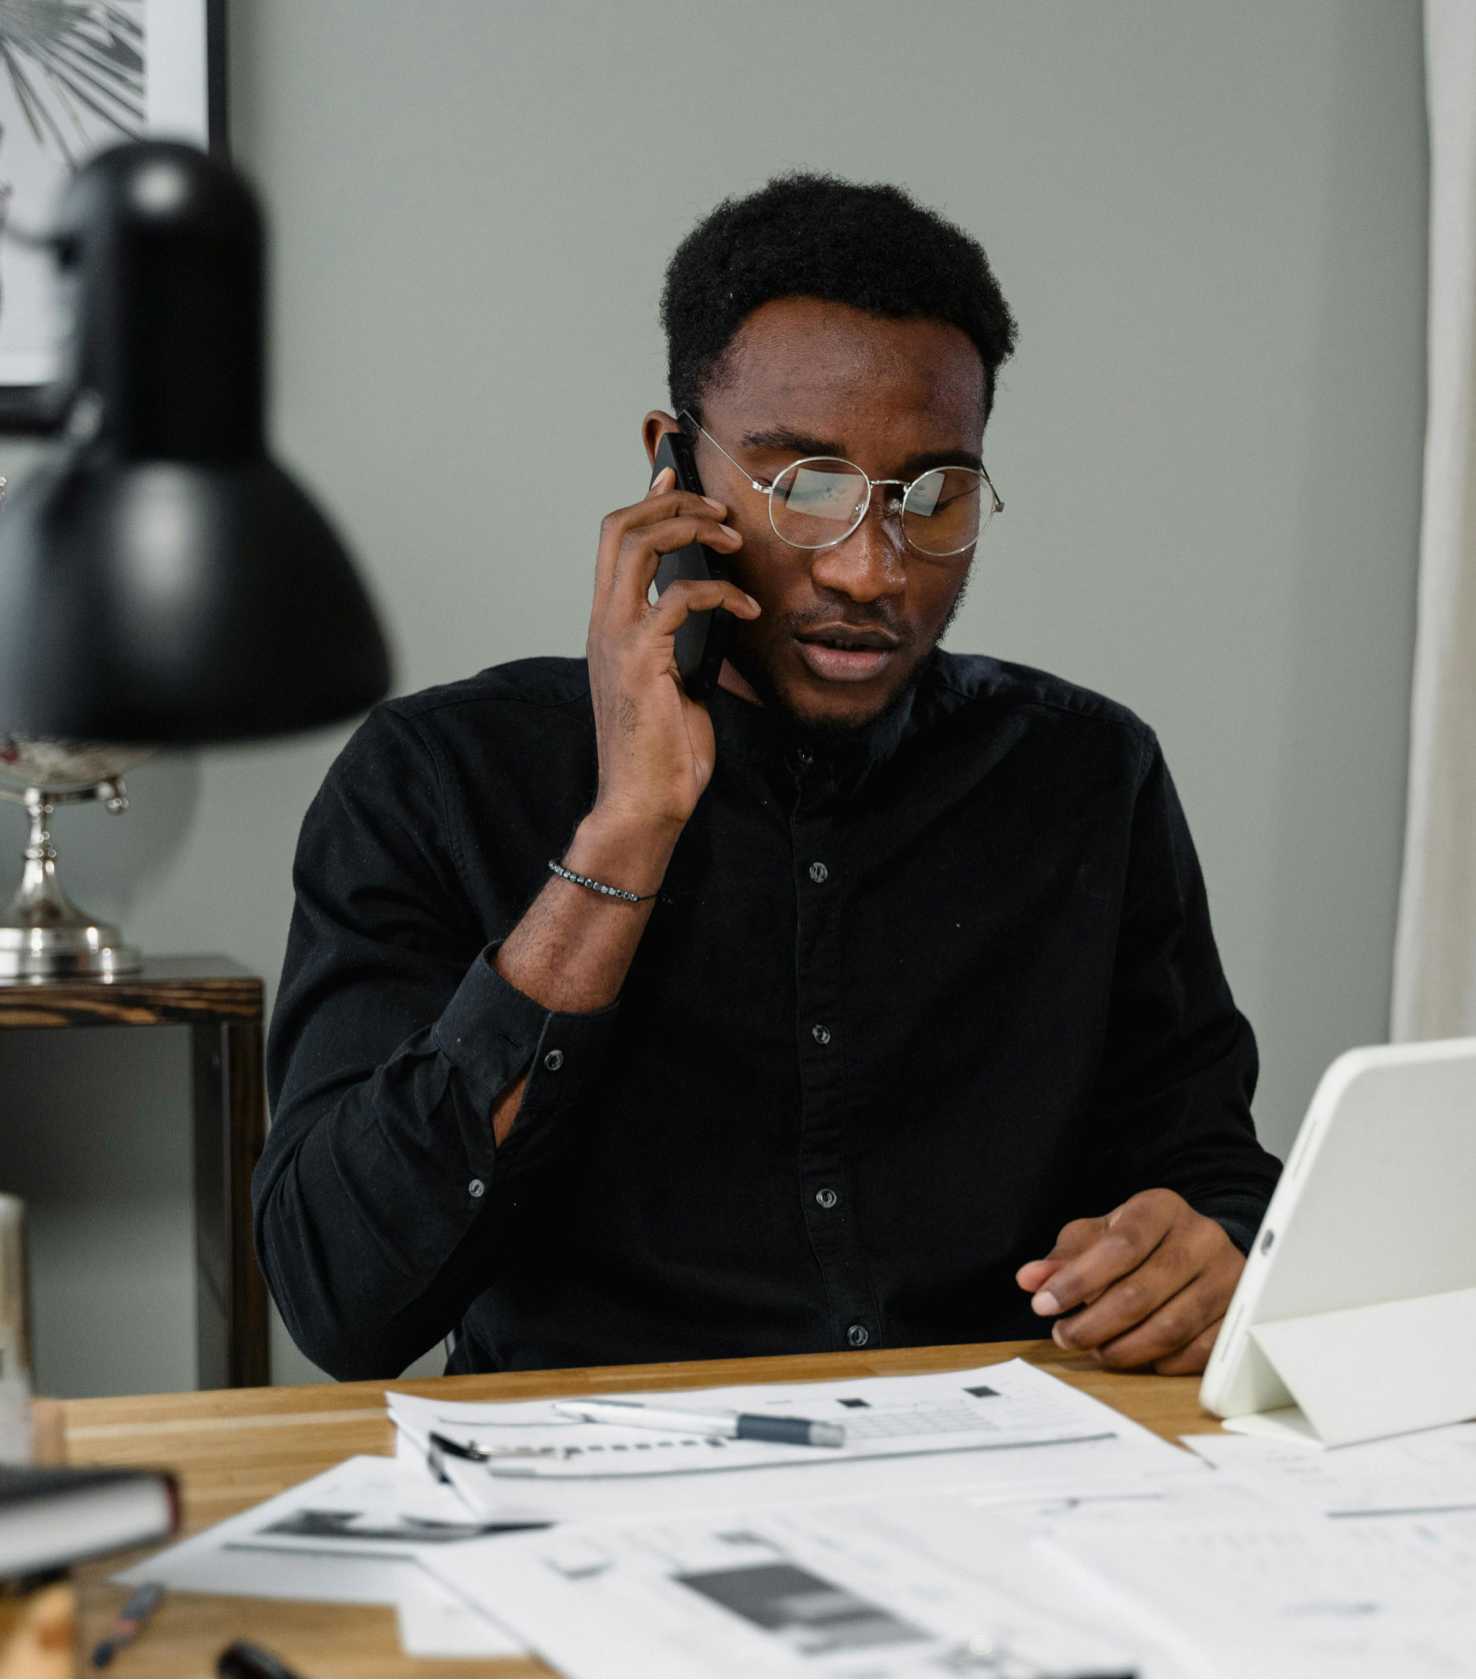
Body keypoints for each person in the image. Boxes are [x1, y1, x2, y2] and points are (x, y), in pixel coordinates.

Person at [254, 174, 1281, 1381]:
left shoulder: (1088, 776)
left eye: (934, 496)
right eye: (807, 487)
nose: (871, 570)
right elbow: (342, 1302)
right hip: (595, 1471)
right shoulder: (437, 778)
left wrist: (1212, 1250)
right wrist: (623, 834)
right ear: (673, 469)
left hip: (996, 1460)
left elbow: (1207, 1171)